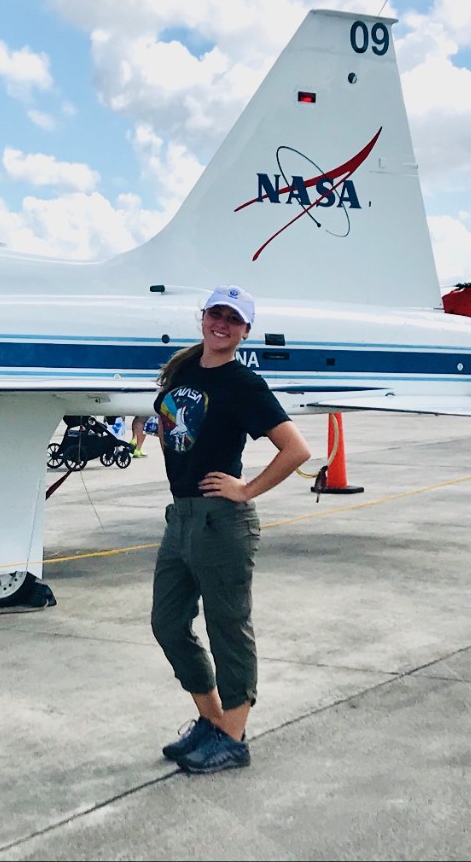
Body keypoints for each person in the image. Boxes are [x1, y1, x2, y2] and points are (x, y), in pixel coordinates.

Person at [150, 284, 311, 774]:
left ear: (245, 330)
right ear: (203, 317)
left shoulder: (244, 384)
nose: (222, 323)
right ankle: (212, 721)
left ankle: (233, 738)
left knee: (228, 631)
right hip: (181, 518)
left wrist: (246, 488)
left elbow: (296, 450)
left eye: (233, 318)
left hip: (222, 521)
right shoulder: (183, 368)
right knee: (168, 624)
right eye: (215, 313)